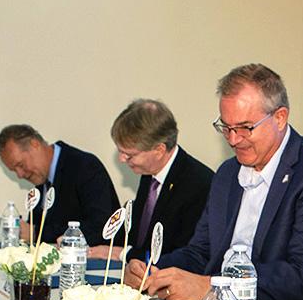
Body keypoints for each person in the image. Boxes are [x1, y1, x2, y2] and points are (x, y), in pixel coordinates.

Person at [126, 64, 303, 300]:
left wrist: (208, 287)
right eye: (226, 127)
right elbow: (201, 252)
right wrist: (154, 271)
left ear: (280, 117)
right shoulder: (227, 174)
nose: (234, 140)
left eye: (245, 128)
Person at [89, 99, 213, 262]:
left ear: (159, 150)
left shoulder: (199, 185)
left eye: (129, 155)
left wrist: (121, 253)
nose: (122, 159)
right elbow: (139, 238)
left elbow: (183, 256)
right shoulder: (150, 173)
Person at [0, 124, 120, 245]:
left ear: (34, 144)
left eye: (20, 165)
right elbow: (40, 227)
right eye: (14, 170)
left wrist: (36, 233)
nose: (20, 175)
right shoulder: (41, 180)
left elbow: (101, 226)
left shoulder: (84, 166)